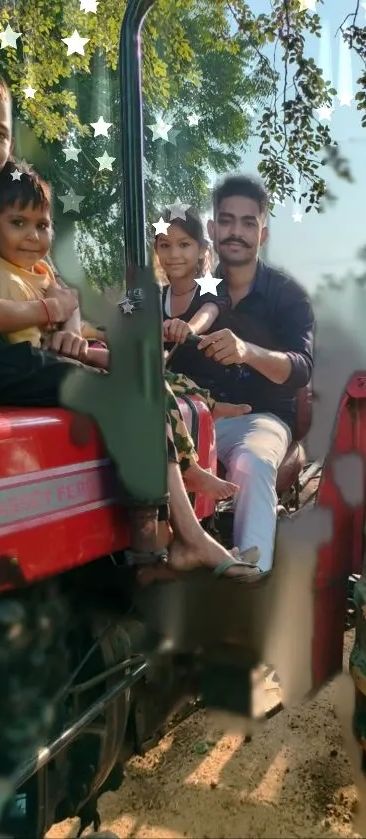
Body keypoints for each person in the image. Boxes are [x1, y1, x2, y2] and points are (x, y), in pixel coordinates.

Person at [0, 61, 258, 578]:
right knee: (123, 387)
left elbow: (58, 297)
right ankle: (166, 538)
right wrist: (48, 312)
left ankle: (167, 530)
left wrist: (72, 327)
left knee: (135, 378)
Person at [167, 175, 314, 573]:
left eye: (248, 223)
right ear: (212, 230)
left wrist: (247, 352)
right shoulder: (187, 292)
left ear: (262, 233)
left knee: (252, 461)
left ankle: (252, 572)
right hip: (197, 415)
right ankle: (150, 562)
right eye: (227, 221)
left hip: (260, 419)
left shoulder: (287, 296)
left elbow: (301, 368)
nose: (237, 232)